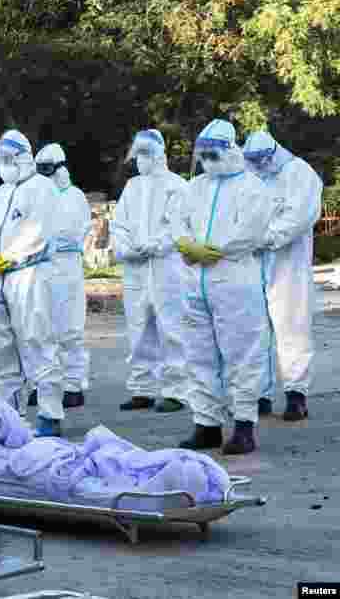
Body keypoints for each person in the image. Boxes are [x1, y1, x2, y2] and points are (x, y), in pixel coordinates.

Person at [176, 119, 275, 454]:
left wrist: (212, 248)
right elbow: (176, 221)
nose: (208, 160)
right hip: (195, 282)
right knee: (198, 354)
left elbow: (250, 231)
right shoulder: (195, 187)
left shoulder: (253, 188)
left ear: (232, 150)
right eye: (203, 154)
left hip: (234, 279)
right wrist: (186, 244)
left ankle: (244, 426)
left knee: (242, 354)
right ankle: (206, 425)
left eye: (214, 153)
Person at [0, 130, 64, 437]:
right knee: (1, 348)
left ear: (22, 159)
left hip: (31, 274)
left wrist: (11, 257)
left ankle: (49, 414)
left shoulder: (42, 188)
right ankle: (9, 414)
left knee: (37, 342)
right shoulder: (0, 194)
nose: (2, 166)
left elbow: (39, 231)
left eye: (7, 160)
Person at [109, 129, 191, 413]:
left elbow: (178, 225)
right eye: (138, 154)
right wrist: (126, 247)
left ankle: (176, 390)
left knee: (172, 327)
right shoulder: (132, 187)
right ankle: (142, 389)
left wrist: (157, 245)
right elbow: (118, 223)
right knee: (138, 328)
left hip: (167, 266)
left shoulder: (176, 186)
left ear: (158, 155)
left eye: (146, 154)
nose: (141, 159)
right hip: (136, 269)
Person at [243, 130, 322, 421]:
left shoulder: (300, 173)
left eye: (261, 160)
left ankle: (296, 394)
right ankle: (258, 395)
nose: (258, 165)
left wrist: (269, 236)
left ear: (273, 152)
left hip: (288, 264)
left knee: (292, 328)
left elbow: (300, 215)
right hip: (252, 261)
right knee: (254, 331)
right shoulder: (248, 173)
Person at [35, 143, 91, 408]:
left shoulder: (74, 196)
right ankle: (45, 383)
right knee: (41, 328)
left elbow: (70, 232)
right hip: (40, 267)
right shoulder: (36, 195)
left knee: (69, 329)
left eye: (48, 169)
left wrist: (45, 239)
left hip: (66, 266)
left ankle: (73, 384)